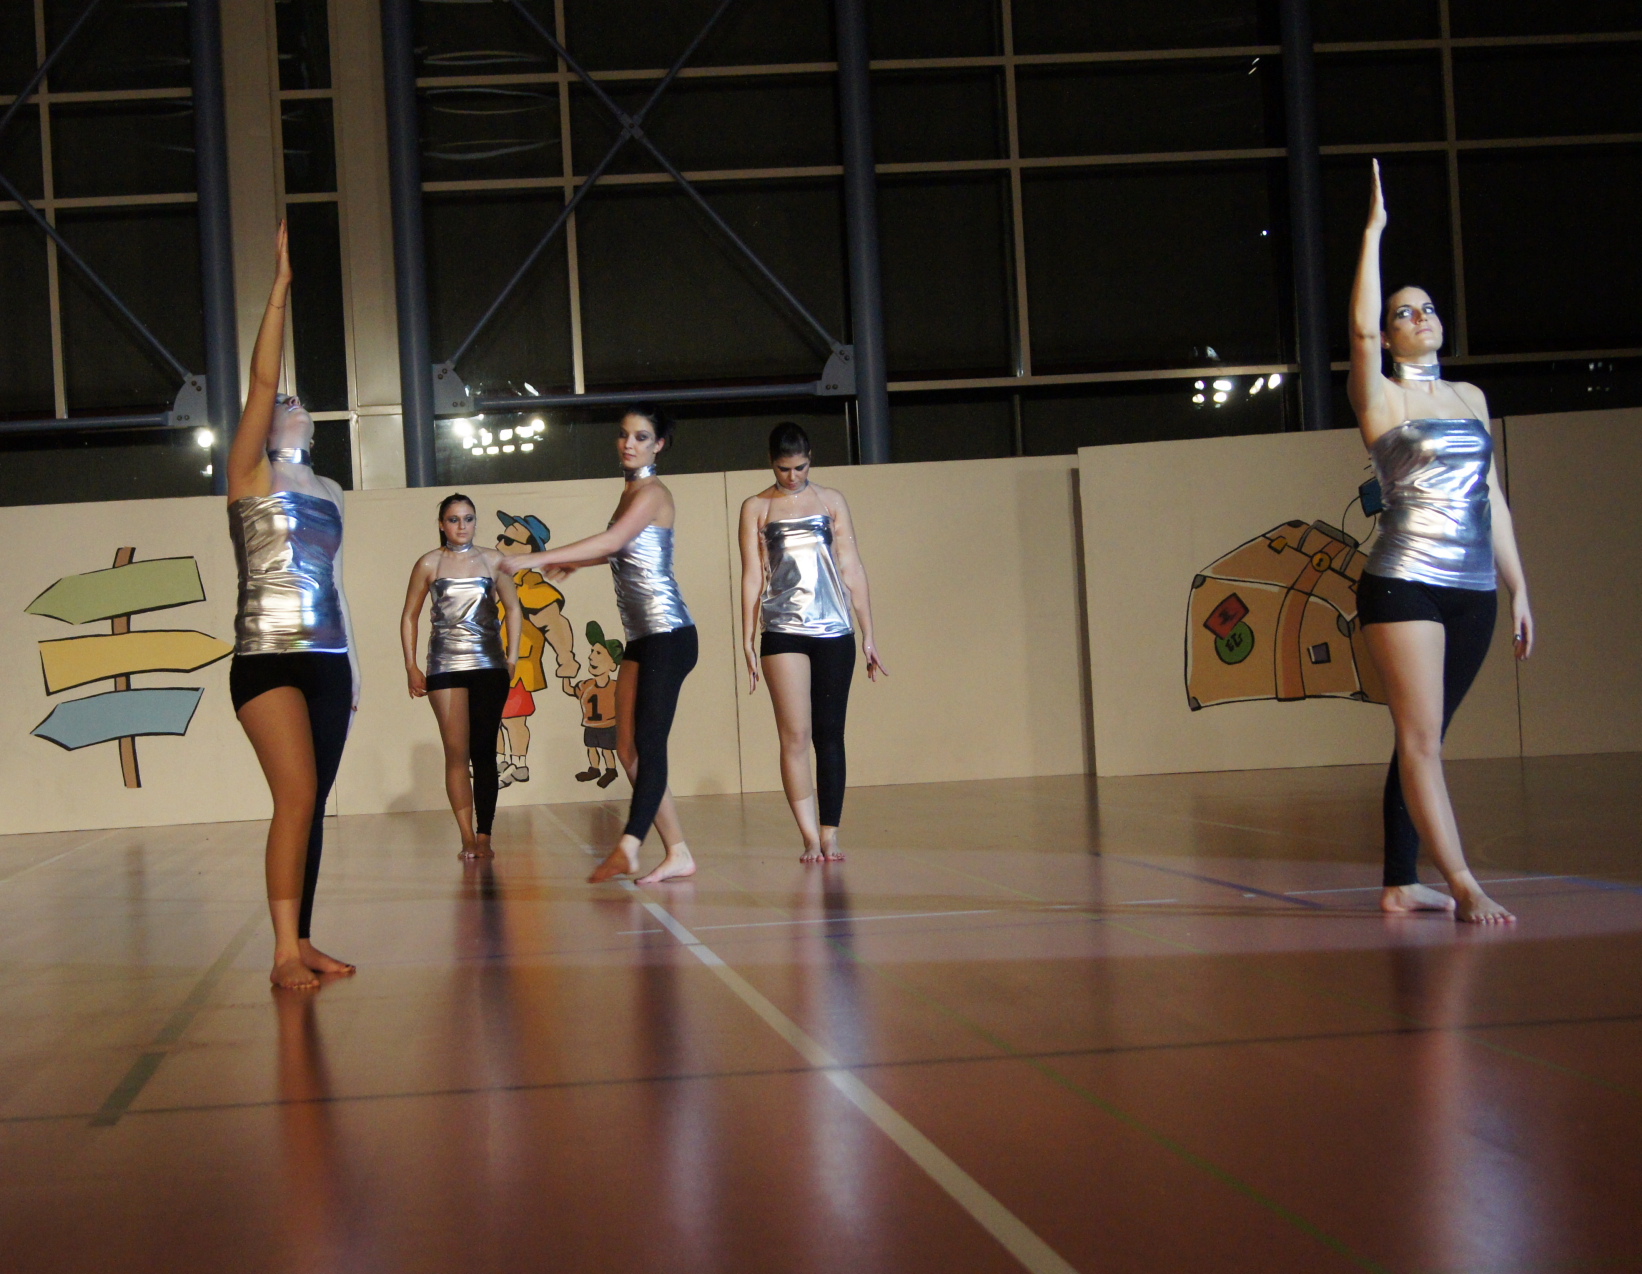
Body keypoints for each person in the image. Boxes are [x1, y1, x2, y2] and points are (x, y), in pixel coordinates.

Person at [1348, 159, 1532, 923]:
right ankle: (1461, 883)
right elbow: (1358, 330)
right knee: (1421, 739)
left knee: (1423, 737)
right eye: (1404, 311)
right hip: (1404, 581)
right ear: (1390, 334)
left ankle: (1400, 881)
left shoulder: (1470, 397)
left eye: (1426, 308)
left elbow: (1491, 497)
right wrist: (1374, 231)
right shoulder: (1382, 397)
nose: (1418, 317)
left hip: (1474, 590)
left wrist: (1520, 586)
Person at [225, 222, 360, 990]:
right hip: (267, 659)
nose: (291, 401)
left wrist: (357, 669)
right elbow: (261, 381)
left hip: (329, 658)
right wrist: (279, 290)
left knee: (313, 805)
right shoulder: (249, 476)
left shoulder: (330, 490)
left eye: (297, 400)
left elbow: (336, 582)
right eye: (283, 401)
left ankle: (302, 938)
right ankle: (282, 951)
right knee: (297, 796)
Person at [506, 408, 698, 884]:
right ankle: (678, 852)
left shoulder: (653, 493)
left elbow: (614, 540)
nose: (629, 444)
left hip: (670, 635)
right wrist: (582, 562)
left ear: (659, 445)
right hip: (641, 638)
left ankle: (629, 846)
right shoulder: (630, 490)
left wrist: (535, 559)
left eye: (641, 437)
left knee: (648, 745)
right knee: (625, 747)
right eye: (624, 435)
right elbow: (621, 549)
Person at [738, 423, 886, 862]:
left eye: (800, 467)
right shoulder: (756, 507)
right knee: (795, 736)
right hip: (783, 628)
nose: (793, 476)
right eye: (784, 469)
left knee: (830, 733)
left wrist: (869, 633)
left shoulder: (830, 501)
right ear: (772, 463)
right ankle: (808, 836)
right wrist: (746, 637)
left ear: (810, 460)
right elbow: (752, 575)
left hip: (834, 629)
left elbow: (852, 566)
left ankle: (830, 833)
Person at [399, 494, 523, 859]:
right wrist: (411, 665)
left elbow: (514, 608)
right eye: (453, 519)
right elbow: (409, 615)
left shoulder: (493, 560)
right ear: (442, 524)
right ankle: (467, 836)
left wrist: (512, 657)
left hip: (489, 664)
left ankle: (484, 835)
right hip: (445, 665)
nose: (462, 526)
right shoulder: (429, 563)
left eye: (468, 518)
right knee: (456, 752)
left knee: (484, 751)